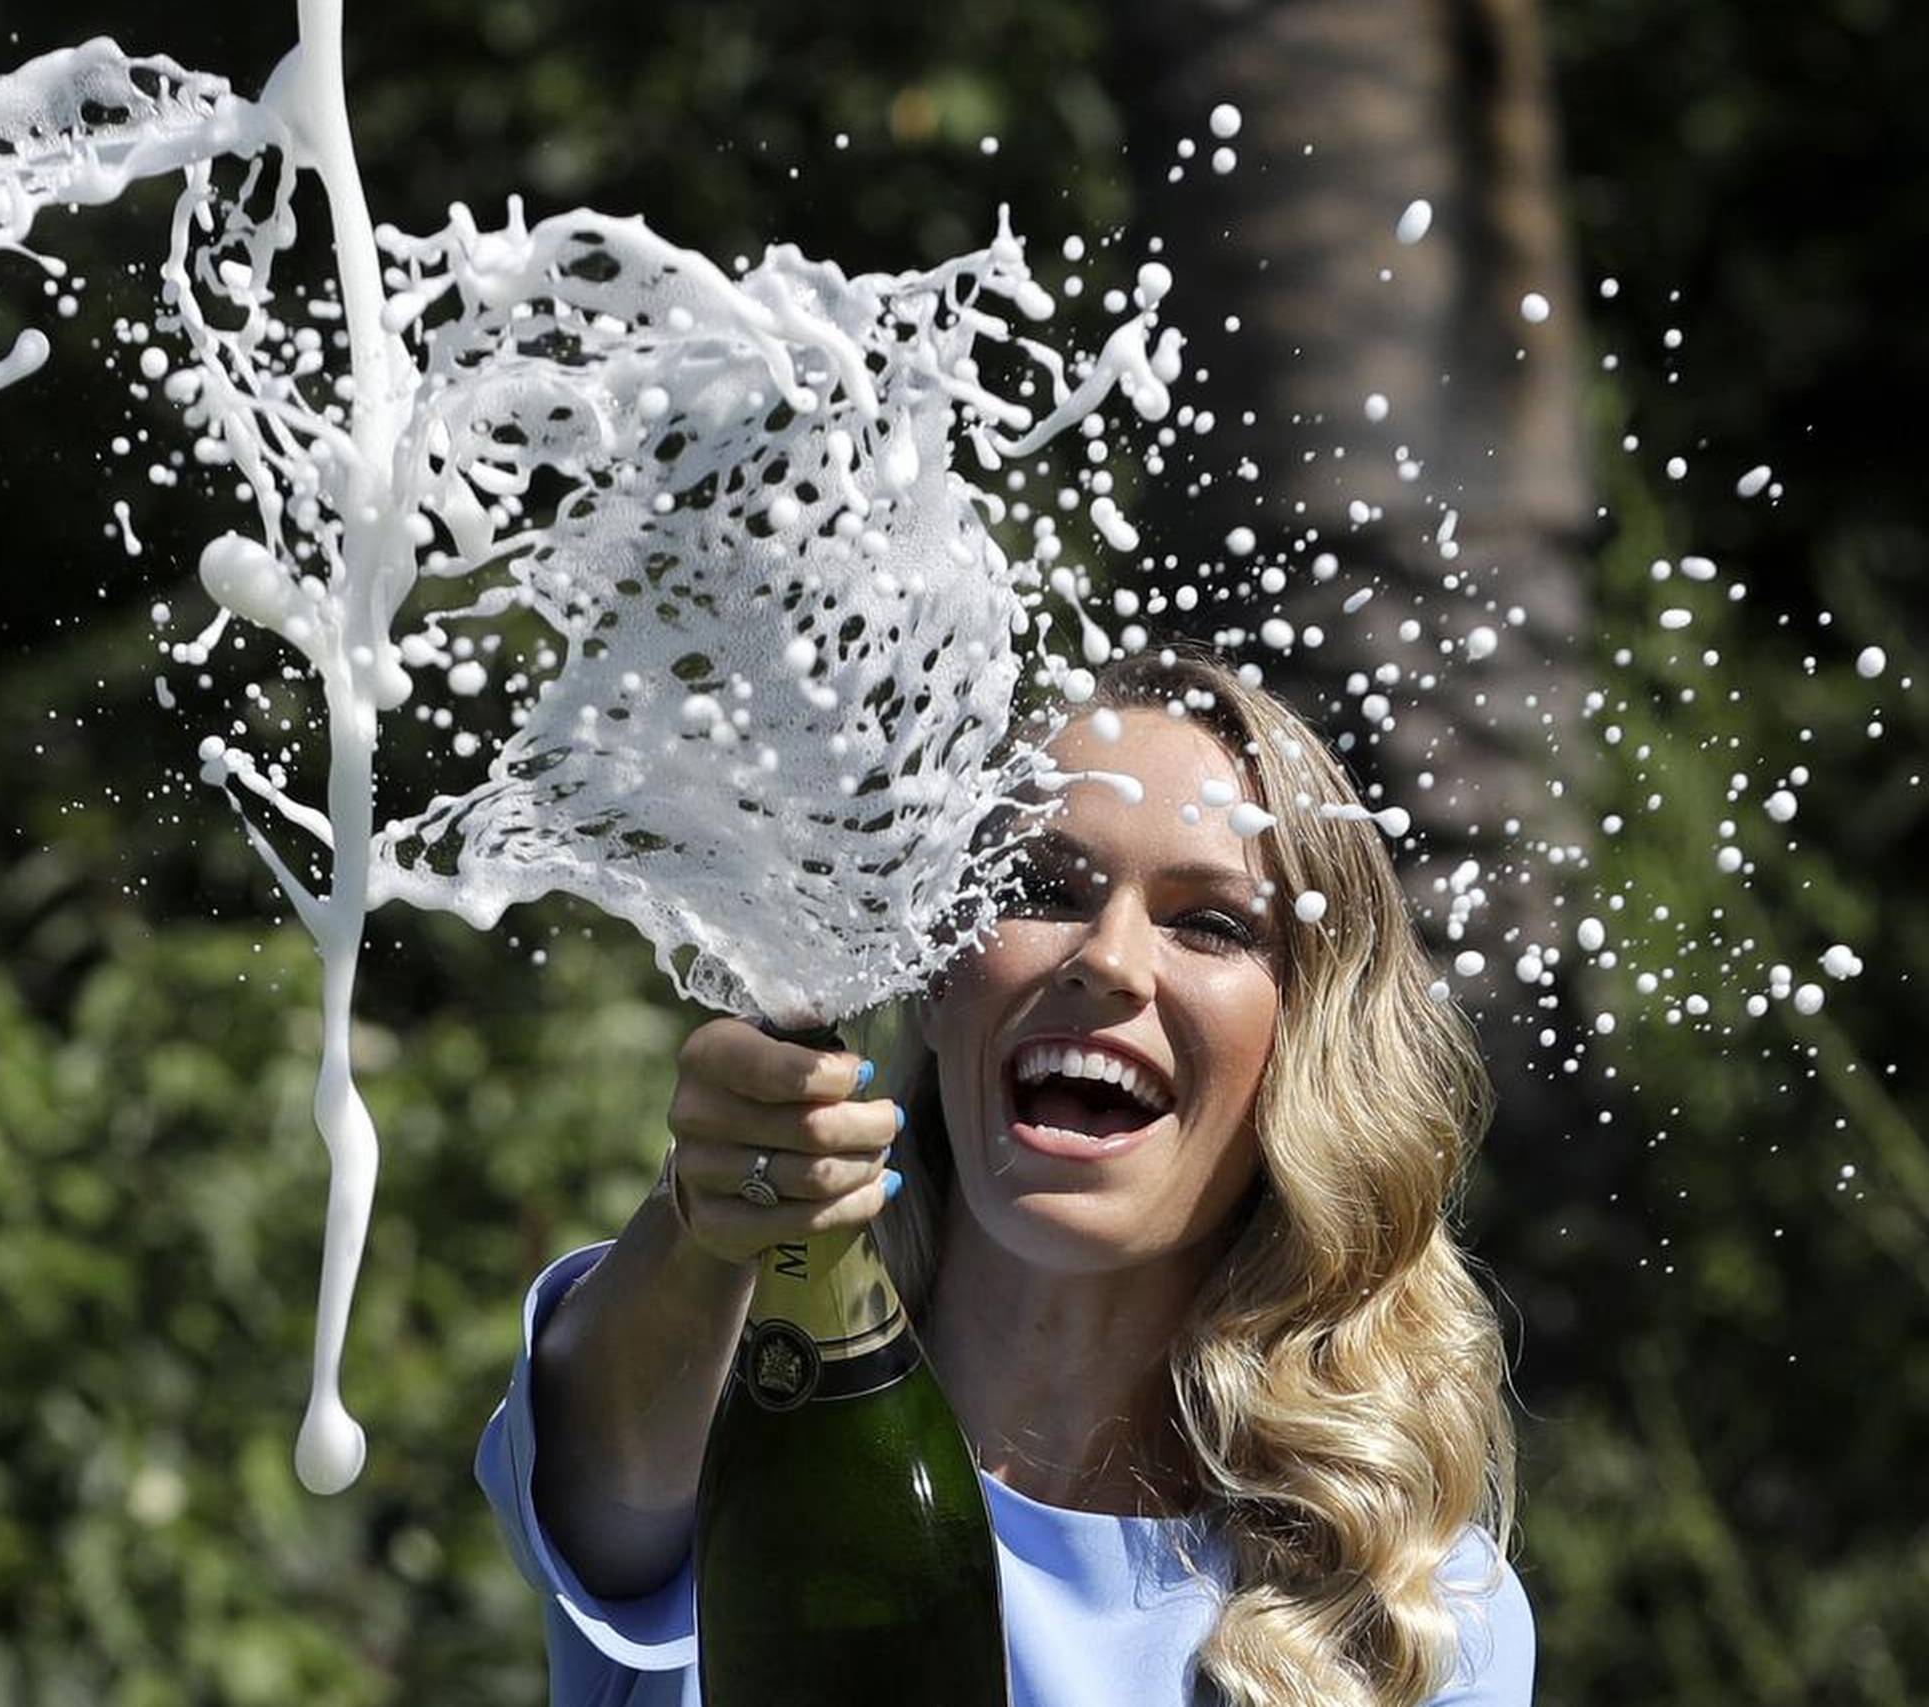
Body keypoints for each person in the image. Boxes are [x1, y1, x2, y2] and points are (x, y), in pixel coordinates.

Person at [475, 646, 1536, 1705]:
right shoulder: (727, 1409)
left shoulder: (1412, 1616)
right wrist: (712, 1210)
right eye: (1041, 889)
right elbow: (601, 1476)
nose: (1107, 958)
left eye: (1208, 924)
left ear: (1305, 1044)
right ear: (939, 980)